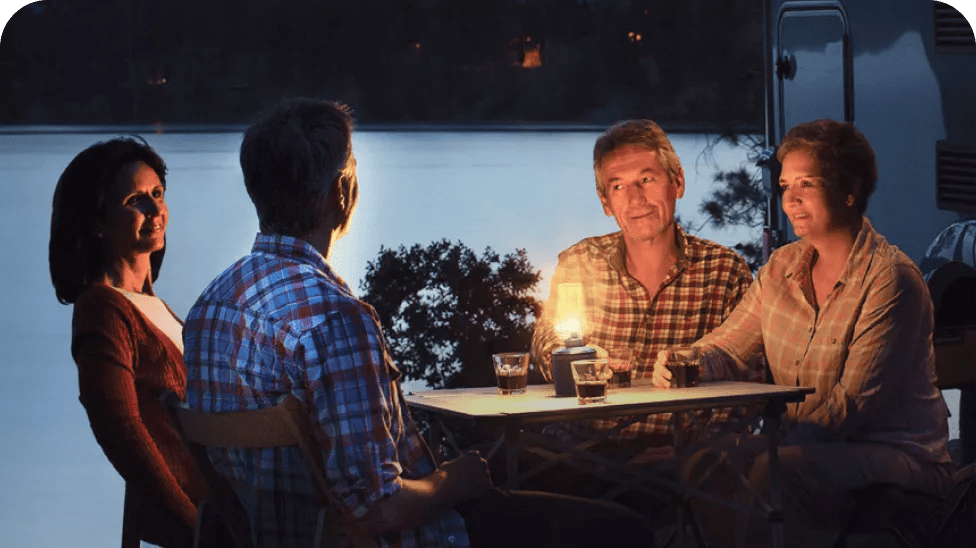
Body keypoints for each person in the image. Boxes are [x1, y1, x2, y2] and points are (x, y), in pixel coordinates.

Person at [182, 97, 656, 548]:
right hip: (407, 537)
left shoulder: (209, 308)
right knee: (621, 529)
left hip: (276, 537)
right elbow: (379, 509)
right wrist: (454, 480)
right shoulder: (335, 321)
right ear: (340, 192)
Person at [651, 119, 954, 547]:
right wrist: (686, 360)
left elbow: (852, 406)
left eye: (806, 184)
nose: (790, 199)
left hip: (898, 457)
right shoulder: (782, 267)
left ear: (849, 191)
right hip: (804, 445)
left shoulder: (891, 280)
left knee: (774, 472)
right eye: (785, 185)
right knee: (705, 461)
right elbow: (729, 345)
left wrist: (767, 445)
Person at [530, 119, 761, 452]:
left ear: (677, 182)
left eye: (647, 179)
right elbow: (545, 341)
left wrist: (698, 447)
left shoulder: (724, 272)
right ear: (605, 202)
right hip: (584, 455)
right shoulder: (579, 262)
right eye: (619, 186)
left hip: (687, 459)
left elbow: (750, 376)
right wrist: (575, 360)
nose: (635, 198)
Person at [49, 138, 206, 547]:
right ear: (98, 219)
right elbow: (121, 431)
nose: (155, 211)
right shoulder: (102, 309)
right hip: (197, 525)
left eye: (157, 194)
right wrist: (194, 528)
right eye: (136, 200)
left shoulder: (154, 306)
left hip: (228, 511)